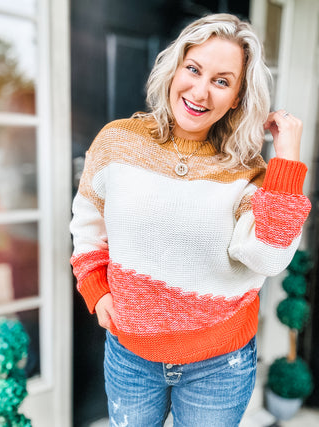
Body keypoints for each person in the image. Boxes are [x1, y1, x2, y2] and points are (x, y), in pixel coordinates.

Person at [70, 13, 311, 427]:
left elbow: (270, 257)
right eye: (194, 69)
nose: (200, 91)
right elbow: (88, 224)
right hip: (130, 356)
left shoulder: (246, 171)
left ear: (237, 96)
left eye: (221, 80)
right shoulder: (117, 143)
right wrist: (96, 288)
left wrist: (286, 159)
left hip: (219, 367)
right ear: (174, 68)